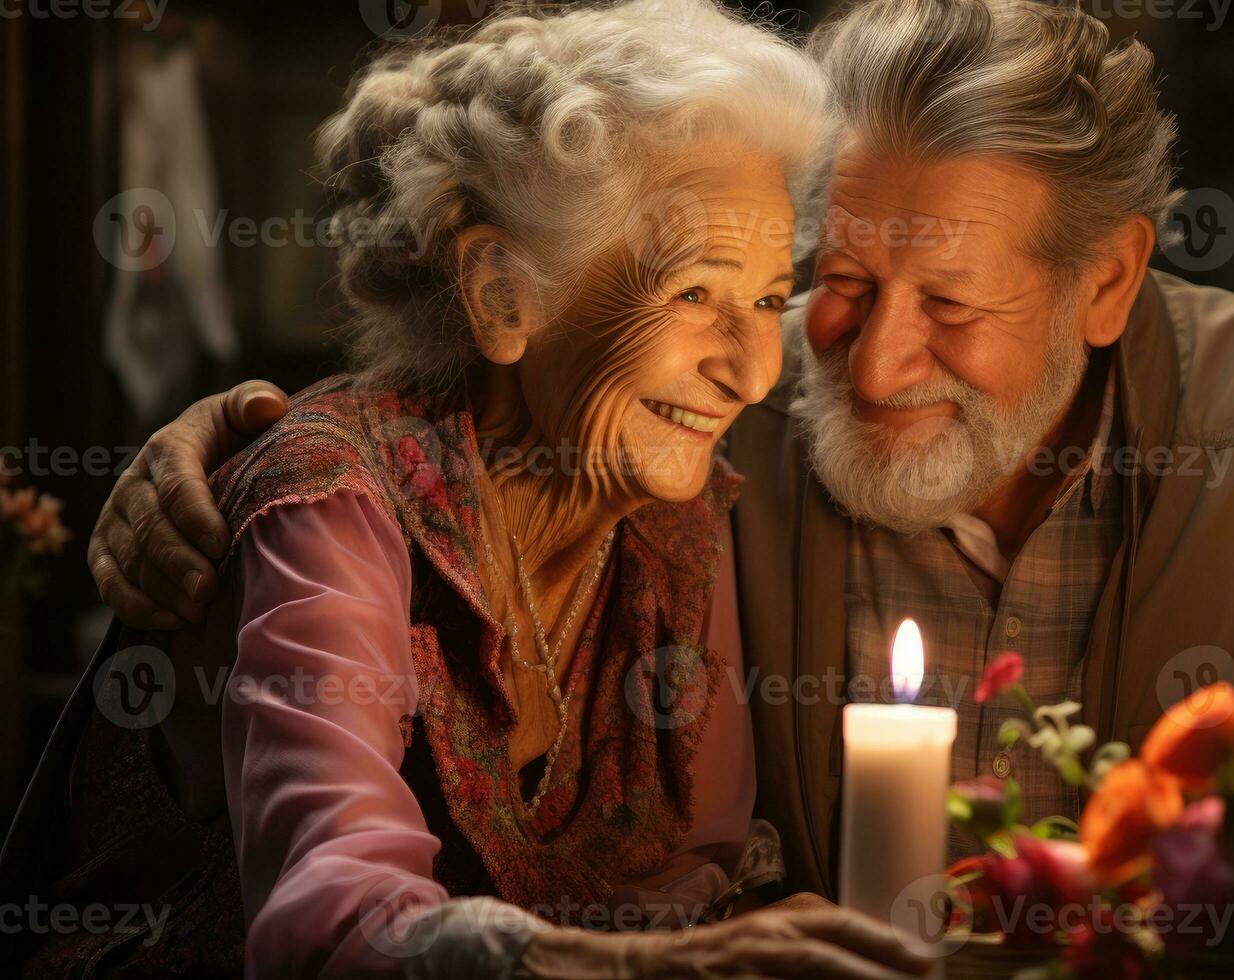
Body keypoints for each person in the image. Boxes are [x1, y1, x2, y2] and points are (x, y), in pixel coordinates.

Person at [86, 0, 1234, 903]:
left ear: (1107, 280)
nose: (861, 358)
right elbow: (482, 390)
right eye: (832, 274)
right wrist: (234, 438)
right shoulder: (725, 409)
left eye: (952, 304)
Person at [6, 2, 928, 977]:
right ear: (503, 294)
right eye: (694, 292)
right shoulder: (333, 504)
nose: (747, 369)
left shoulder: (675, 508)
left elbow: (702, 852)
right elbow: (327, 918)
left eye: (766, 299)